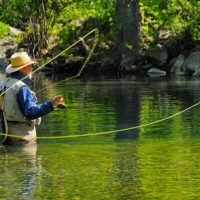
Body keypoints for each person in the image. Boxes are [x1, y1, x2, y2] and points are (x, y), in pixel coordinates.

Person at [0, 51, 62, 145]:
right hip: (21, 136)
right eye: (30, 66)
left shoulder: (2, 84)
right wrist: (51, 104)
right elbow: (30, 113)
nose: (31, 68)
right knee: (27, 159)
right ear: (25, 68)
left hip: (4, 134)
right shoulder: (21, 87)